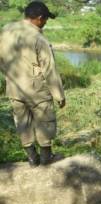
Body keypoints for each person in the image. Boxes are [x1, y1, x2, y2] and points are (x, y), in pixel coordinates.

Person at [0, 2, 65, 167]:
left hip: (14, 88)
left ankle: (32, 158)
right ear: (39, 18)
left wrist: (9, 75)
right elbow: (49, 69)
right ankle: (45, 158)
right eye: (46, 19)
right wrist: (59, 96)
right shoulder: (38, 38)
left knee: (22, 123)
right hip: (36, 90)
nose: (46, 23)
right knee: (45, 121)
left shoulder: (7, 30)